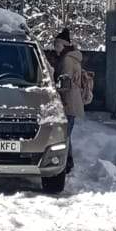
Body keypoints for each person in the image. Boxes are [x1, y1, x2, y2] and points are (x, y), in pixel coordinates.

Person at [49, 27, 89, 159]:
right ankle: (68, 161)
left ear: (63, 45)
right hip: (73, 100)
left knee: (64, 135)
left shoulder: (66, 60)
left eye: (57, 45)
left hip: (68, 102)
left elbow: (65, 82)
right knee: (67, 134)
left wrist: (56, 91)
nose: (55, 48)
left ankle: (67, 161)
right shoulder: (73, 57)